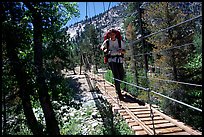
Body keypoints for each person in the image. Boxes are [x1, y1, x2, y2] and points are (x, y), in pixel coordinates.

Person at [100, 29, 126, 100]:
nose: (111, 35)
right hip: (111, 60)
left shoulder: (120, 42)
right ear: (108, 35)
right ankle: (119, 93)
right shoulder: (107, 42)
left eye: (113, 34)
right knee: (116, 75)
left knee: (121, 75)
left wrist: (122, 51)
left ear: (115, 34)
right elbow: (102, 47)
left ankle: (117, 86)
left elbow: (124, 51)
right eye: (110, 34)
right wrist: (104, 49)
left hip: (119, 60)